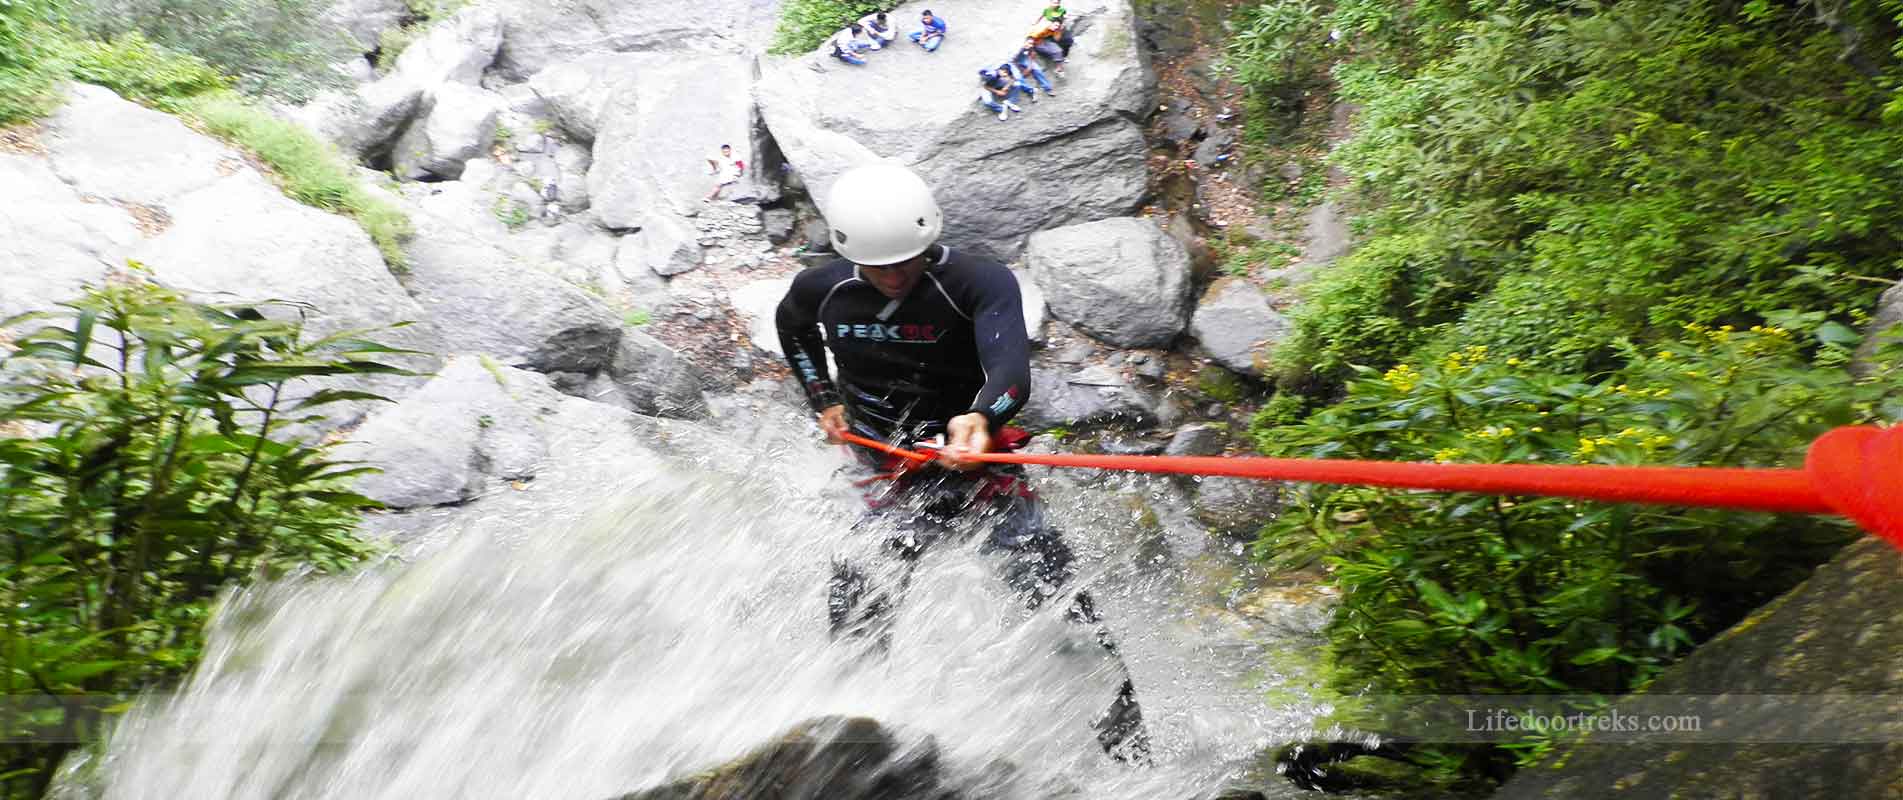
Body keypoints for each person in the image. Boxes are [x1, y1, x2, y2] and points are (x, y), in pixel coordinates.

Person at [774, 162, 1149, 762]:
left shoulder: (977, 282)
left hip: (978, 462)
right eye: (880, 265)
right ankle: (856, 745)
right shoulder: (821, 290)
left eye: (908, 259)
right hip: (885, 469)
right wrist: (823, 399)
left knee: (1061, 601)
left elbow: (1009, 374)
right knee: (857, 600)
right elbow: (792, 332)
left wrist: (980, 420)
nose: (896, 275)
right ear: (850, 253)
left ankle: (1128, 745)